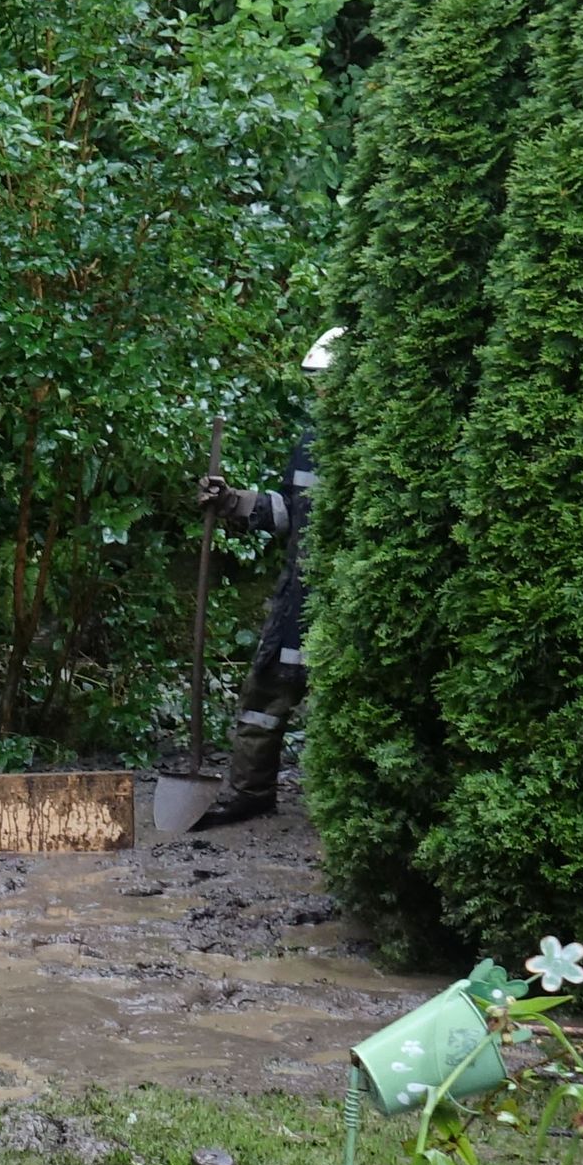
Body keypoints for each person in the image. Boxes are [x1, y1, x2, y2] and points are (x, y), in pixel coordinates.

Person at [197, 327, 336, 828]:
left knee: (339, 706)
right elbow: (288, 514)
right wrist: (233, 501)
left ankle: (342, 810)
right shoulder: (310, 443)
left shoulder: (375, 443)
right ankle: (251, 792)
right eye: (316, 382)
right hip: (298, 594)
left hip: (346, 598)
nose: (321, 392)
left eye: (328, 380)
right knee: (264, 694)